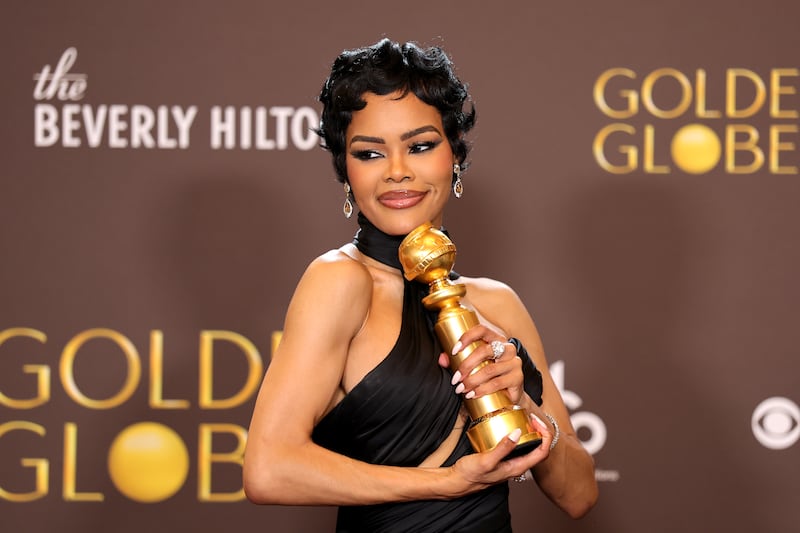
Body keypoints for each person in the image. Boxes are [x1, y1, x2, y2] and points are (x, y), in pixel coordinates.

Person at [243, 38, 598, 532]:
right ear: (345, 173)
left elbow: (579, 495)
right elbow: (269, 470)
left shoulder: (498, 304)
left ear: (454, 157)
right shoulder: (340, 282)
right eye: (369, 153)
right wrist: (446, 483)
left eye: (421, 146)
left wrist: (524, 402)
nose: (396, 172)